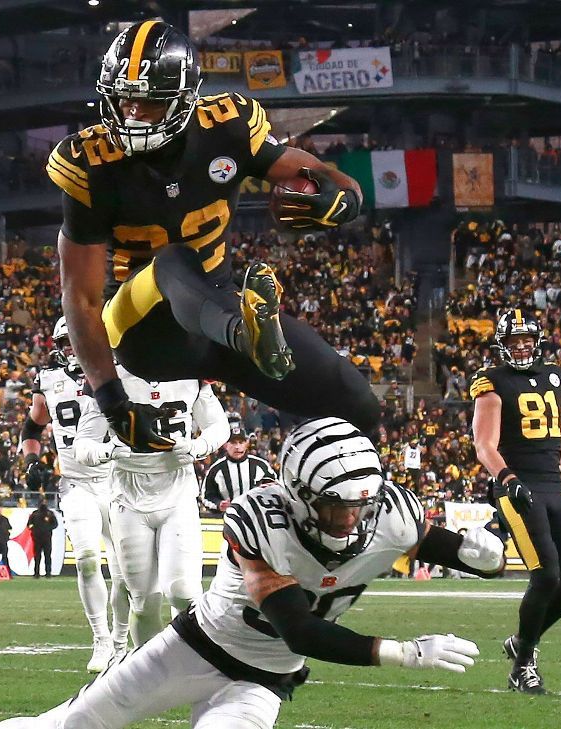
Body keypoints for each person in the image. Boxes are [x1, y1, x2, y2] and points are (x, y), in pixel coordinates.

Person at [0, 418, 503, 729]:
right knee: (73, 725)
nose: (350, 520)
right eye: (334, 507)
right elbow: (298, 628)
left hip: (266, 679)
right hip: (194, 648)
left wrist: (488, 557)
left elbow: (464, 554)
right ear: (299, 496)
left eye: (359, 507)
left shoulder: (389, 514)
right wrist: (406, 654)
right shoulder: (261, 518)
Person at [50, 20, 378, 458]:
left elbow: (320, 174)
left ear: (183, 101)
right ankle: (247, 334)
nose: (131, 113)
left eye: (147, 102)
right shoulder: (90, 163)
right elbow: (82, 298)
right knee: (171, 260)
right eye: (123, 99)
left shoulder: (227, 125)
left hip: (218, 316)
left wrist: (344, 200)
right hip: (145, 332)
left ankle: (347, 508)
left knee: (358, 404)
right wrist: (110, 398)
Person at [471, 308, 561, 694]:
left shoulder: (555, 376)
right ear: (502, 346)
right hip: (517, 486)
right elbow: (483, 443)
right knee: (546, 575)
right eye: (513, 342)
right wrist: (507, 478)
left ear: (536, 341)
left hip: (554, 485)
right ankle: (523, 667)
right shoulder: (491, 382)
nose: (521, 348)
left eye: (526, 341)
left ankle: (523, 641)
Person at [74, 366, 229, 647]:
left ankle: (194, 659)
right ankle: (148, 671)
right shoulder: (110, 378)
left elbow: (219, 426)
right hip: (127, 495)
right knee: (144, 600)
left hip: (177, 490)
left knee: (183, 591)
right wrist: (105, 451)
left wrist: (200, 445)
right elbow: (82, 445)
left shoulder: (189, 373)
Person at [20, 317, 129, 669]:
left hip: (118, 480)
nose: (73, 348)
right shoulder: (48, 380)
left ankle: (122, 640)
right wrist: (32, 460)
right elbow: (32, 426)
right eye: (67, 342)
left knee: (124, 568)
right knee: (85, 559)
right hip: (76, 482)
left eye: (78, 339)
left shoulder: (118, 371)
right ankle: (100, 640)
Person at [201, 432, 275, 513]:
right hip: (229, 518)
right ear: (226, 445)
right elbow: (207, 496)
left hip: (257, 518)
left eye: (241, 442)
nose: (237, 447)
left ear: (246, 444)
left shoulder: (261, 465)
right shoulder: (216, 469)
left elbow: (276, 489)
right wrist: (219, 505)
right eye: (233, 443)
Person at [26, 497, 57, 578]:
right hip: (37, 538)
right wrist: (34, 530)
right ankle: (36, 573)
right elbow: (29, 524)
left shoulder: (50, 514)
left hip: (47, 538)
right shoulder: (34, 514)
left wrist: (48, 528)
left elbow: (55, 524)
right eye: (42, 502)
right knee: (37, 556)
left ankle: (48, 573)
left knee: (47, 556)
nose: (44, 504)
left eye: (45, 502)